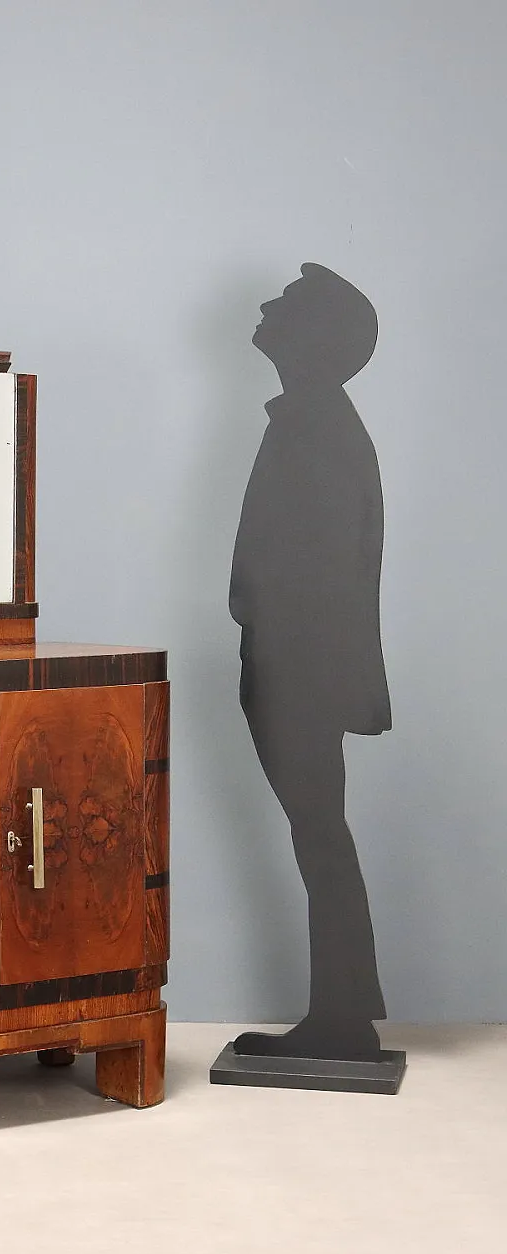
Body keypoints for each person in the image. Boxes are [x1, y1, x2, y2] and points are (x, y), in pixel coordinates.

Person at [228, 263, 391, 1061]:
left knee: (319, 832)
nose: (267, 304)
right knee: (320, 831)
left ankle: (342, 1017)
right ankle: (345, 1009)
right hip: (297, 660)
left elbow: (326, 568)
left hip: (302, 665)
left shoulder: (318, 425)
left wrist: (278, 655)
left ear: (317, 339)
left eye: (288, 303)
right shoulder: (315, 419)